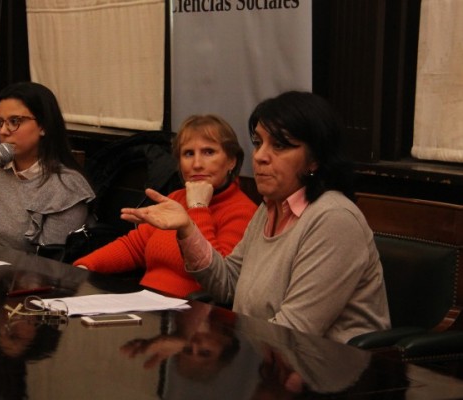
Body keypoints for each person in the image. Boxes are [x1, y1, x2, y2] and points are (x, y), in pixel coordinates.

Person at [120, 91, 390, 343]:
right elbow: (227, 284)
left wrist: (228, 349)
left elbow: (295, 331)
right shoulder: (270, 207)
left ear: (314, 160)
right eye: (259, 143)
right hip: (266, 361)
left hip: (326, 377)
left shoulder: (334, 219)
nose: (260, 156)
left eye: (280, 146)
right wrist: (187, 229)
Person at [73, 115, 257, 298]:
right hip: (145, 303)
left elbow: (219, 279)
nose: (197, 164)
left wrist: (198, 208)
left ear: (231, 161)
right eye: (188, 154)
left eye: (209, 152)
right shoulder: (176, 198)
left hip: (194, 316)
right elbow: (134, 247)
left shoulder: (243, 211)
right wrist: (82, 268)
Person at [0, 82, 94, 253]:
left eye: (14, 121)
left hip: (35, 276)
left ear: (43, 126)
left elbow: (50, 262)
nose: (3, 131)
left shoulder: (67, 187)